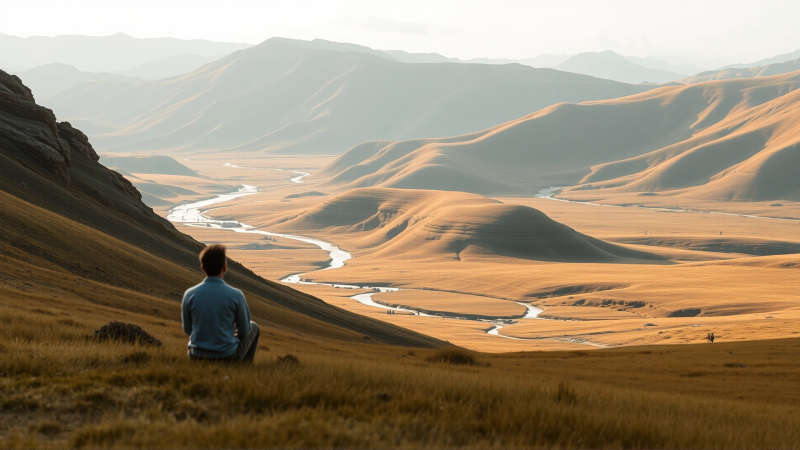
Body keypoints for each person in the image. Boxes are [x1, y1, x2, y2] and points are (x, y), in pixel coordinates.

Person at [181, 244, 260, 363]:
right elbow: (244, 331)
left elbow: (187, 330)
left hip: (195, 356)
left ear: (202, 267)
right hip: (226, 356)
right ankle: (245, 368)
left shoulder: (189, 294)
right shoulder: (236, 295)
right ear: (224, 267)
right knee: (253, 326)